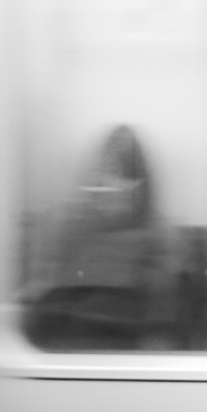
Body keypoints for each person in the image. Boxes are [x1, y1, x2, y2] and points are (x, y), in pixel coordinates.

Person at [23, 125, 174, 350]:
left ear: (139, 184)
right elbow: (47, 294)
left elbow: (162, 312)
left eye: (122, 175)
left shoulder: (158, 234)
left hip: (128, 346)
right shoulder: (70, 224)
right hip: (71, 344)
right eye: (104, 173)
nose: (111, 185)